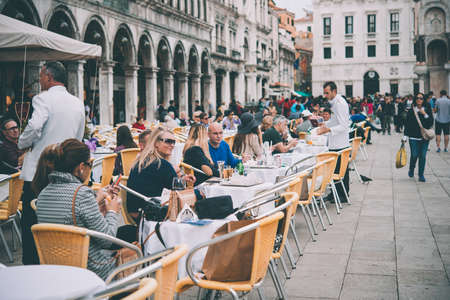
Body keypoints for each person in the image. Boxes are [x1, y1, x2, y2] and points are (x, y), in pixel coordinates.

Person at [18, 61, 85, 265]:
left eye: (41, 76)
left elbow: (35, 125)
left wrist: (23, 142)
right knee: (60, 219)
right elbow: (79, 137)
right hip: (66, 171)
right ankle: (58, 260)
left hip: (39, 171)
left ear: (49, 77)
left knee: (32, 221)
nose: (39, 80)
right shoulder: (77, 102)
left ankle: (33, 263)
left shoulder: (43, 98)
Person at [35, 139, 122, 279]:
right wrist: (113, 211)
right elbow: (107, 240)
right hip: (89, 270)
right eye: (90, 164)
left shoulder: (43, 193)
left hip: (56, 269)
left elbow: (70, 218)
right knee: (135, 248)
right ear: (81, 167)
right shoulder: (81, 193)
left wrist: (96, 201)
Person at [127, 128, 195, 218]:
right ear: (156, 143)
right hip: (152, 216)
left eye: (173, 142)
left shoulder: (141, 162)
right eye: (168, 141)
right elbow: (178, 195)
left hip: (137, 212)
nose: (172, 145)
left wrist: (181, 180)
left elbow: (157, 184)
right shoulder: (162, 165)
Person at [316, 81, 350, 201]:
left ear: (334, 91)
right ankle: (335, 193)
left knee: (340, 171)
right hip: (335, 142)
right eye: (324, 93)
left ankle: (342, 195)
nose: (325, 95)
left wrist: (328, 129)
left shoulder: (340, 103)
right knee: (335, 169)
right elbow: (335, 121)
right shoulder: (334, 102)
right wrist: (324, 124)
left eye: (327, 93)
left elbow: (344, 125)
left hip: (340, 142)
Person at [404, 93, 434, 182]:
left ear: (423, 99)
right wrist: (405, 137)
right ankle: (411, 168)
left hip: (424, 137)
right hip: (413, 137)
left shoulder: (427, 109)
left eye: (421, 98)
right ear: (415, 99)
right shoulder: (411, 110)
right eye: (417, 98)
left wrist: (424, 114)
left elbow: (430, 123)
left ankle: (421, 175)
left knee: (423, 156)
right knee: (414, 155)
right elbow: (407, 124)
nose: (419, 100)